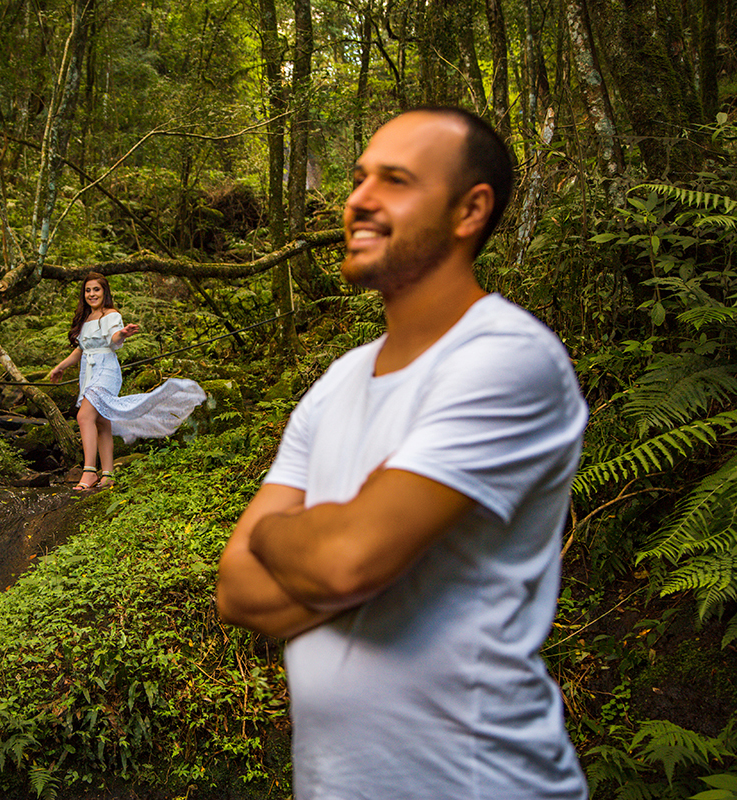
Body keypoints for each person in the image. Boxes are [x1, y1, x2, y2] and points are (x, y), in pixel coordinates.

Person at [215, 107, 589, 799]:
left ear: (469, 210)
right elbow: (238, 590)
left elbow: (344, 559)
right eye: (359, 178)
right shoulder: (336, 383)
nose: (358, 199)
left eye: (395, 180)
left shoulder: (506, 358)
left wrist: (282, 536)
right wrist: (357, 553)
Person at [48, 272, 207, 490]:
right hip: (88, 373)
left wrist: (122, 333)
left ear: (105, 292)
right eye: (88, 290)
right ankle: (108, 474)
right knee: (102, 422)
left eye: (96, 289)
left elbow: (113, 339)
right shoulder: (85, 319)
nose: (92, 294)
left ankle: (88, 472)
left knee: (84, 416)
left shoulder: (111, 314)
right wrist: (60, 367)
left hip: (106, 370)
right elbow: (80, 350)